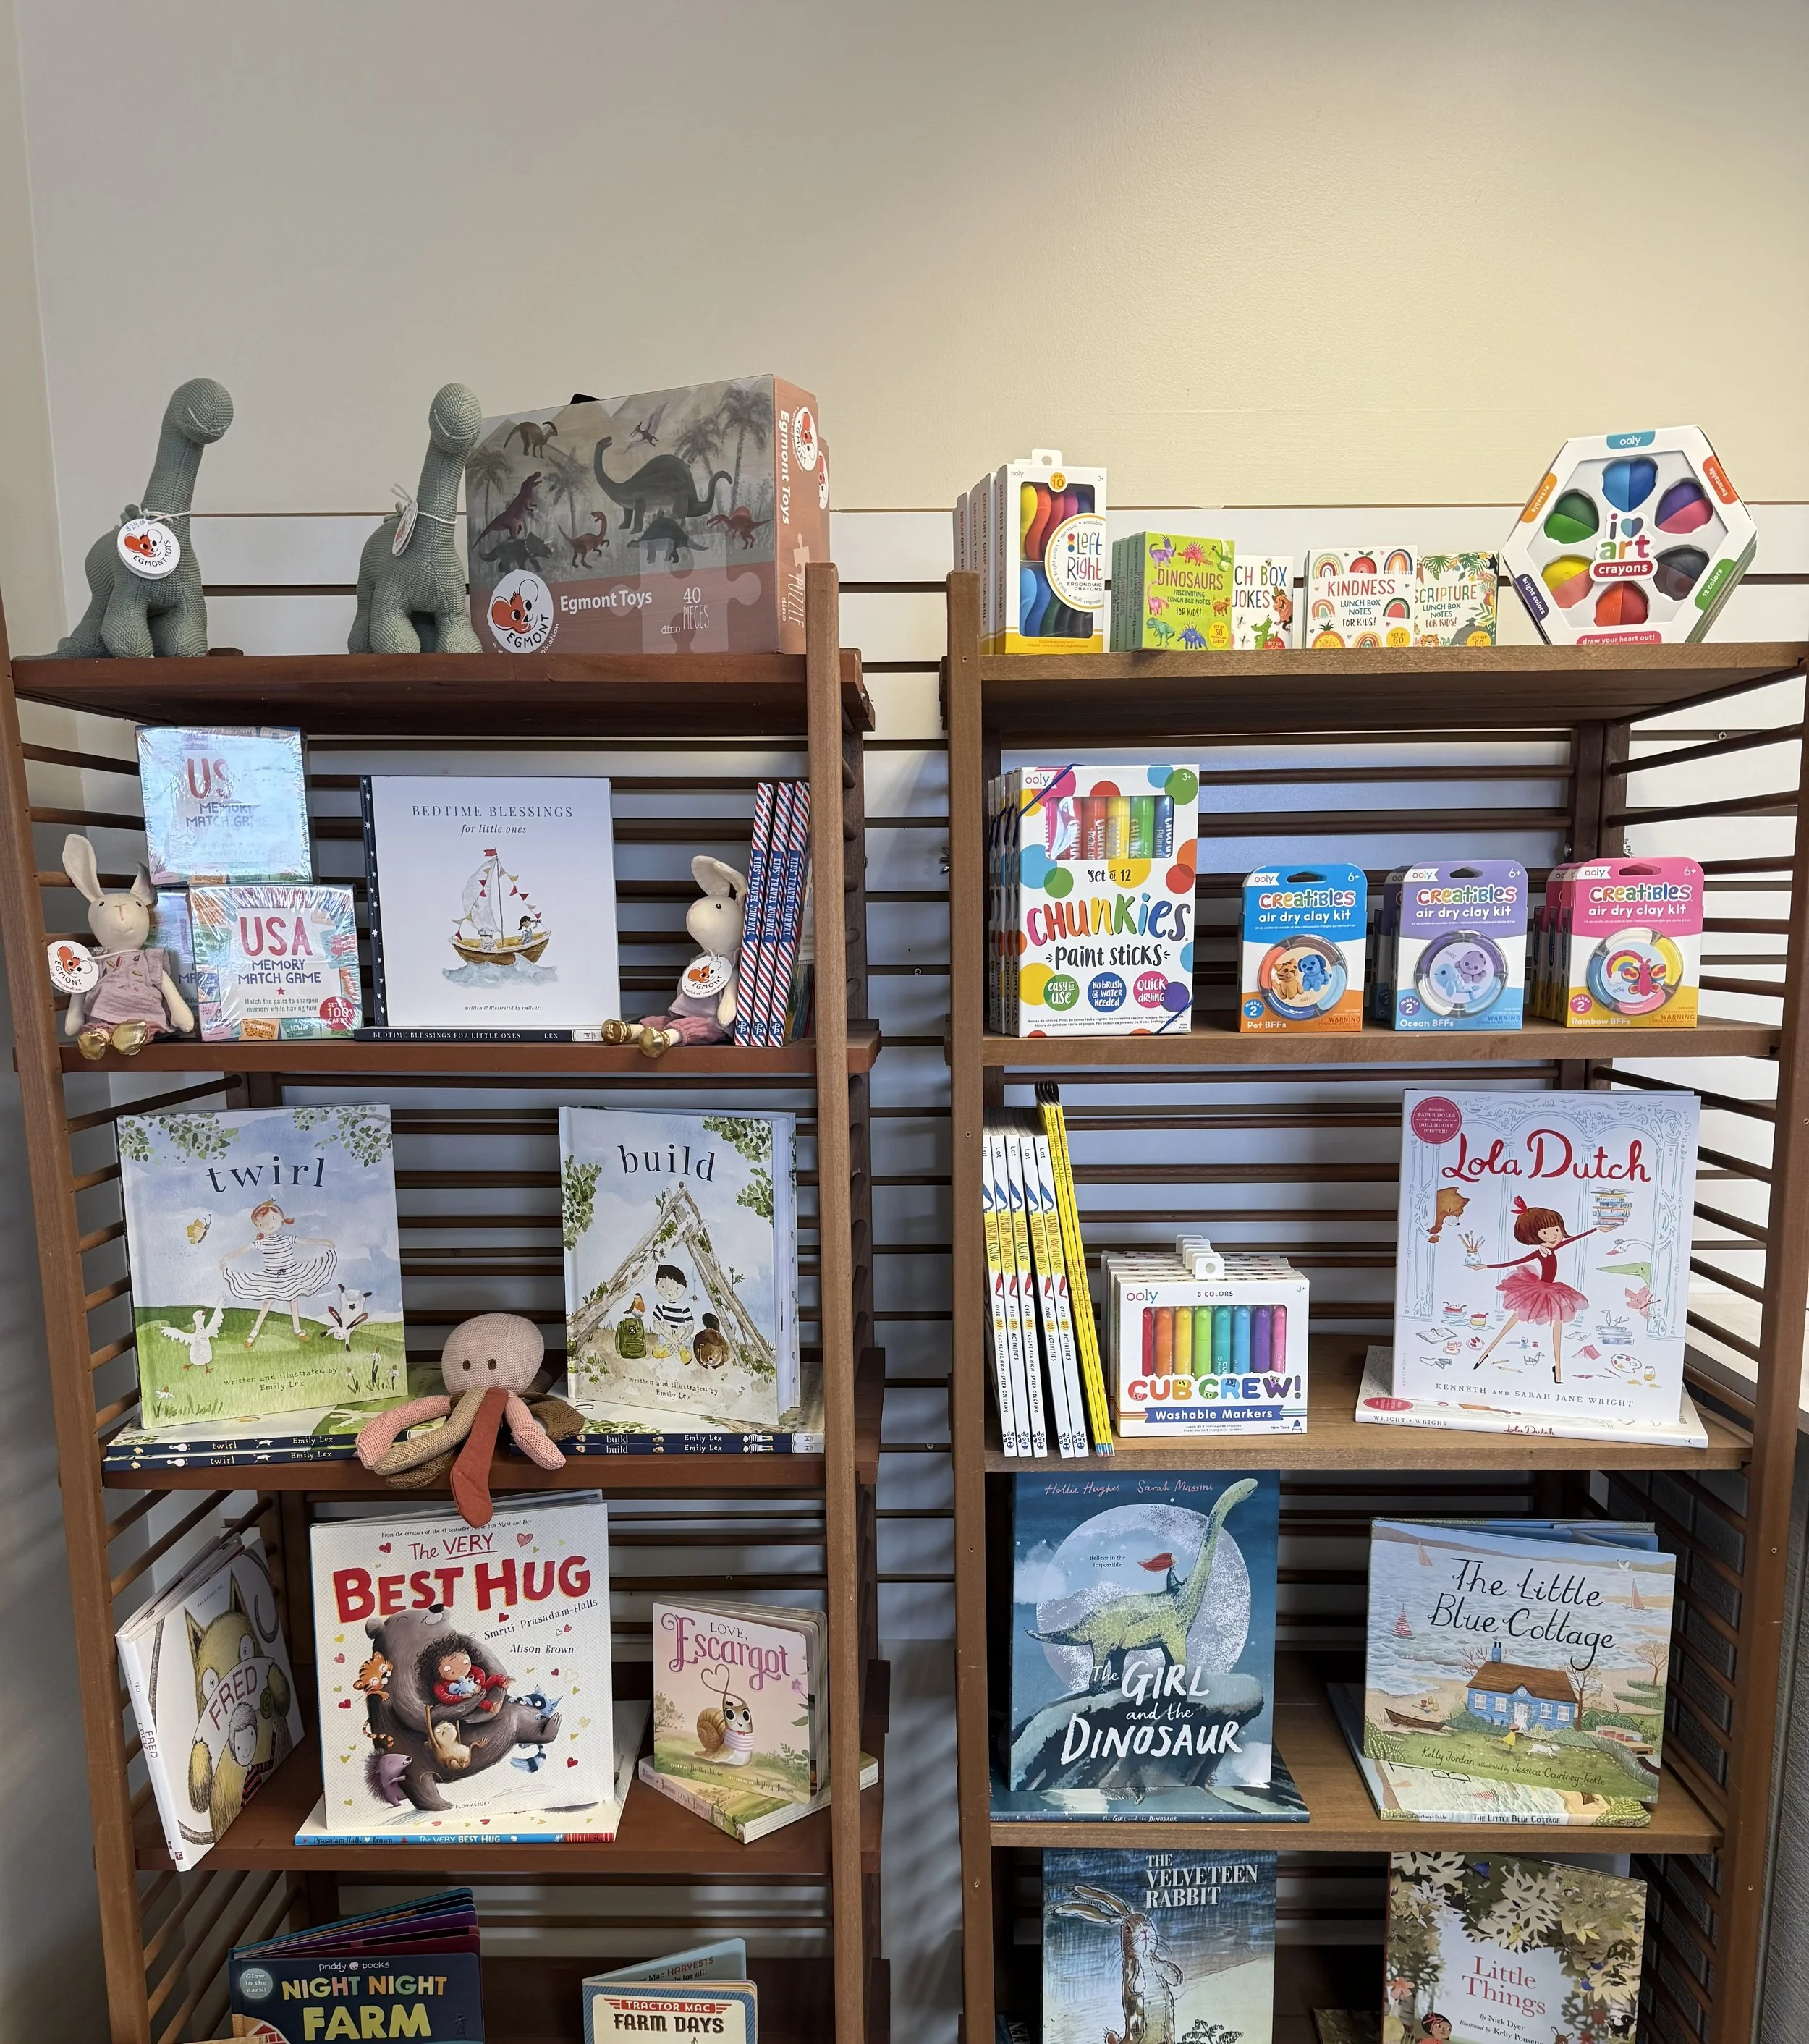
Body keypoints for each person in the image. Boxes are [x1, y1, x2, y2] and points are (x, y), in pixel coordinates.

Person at [1475, 1196, 1601, 1383]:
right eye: (1547, 1232)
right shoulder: (1539, 1252)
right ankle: (1487, 1351)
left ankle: (1558, 1368)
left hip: (1552, 1289)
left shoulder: (1555, 1246)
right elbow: (1514, 1262)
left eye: (1557, 1230)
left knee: (1558, 1323)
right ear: (1535, 1236)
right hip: (1538, 1288)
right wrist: (1486, 1267)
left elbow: (1575, 1238)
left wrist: (1598, 1229)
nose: (1555, 1236)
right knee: (1514, 1319)